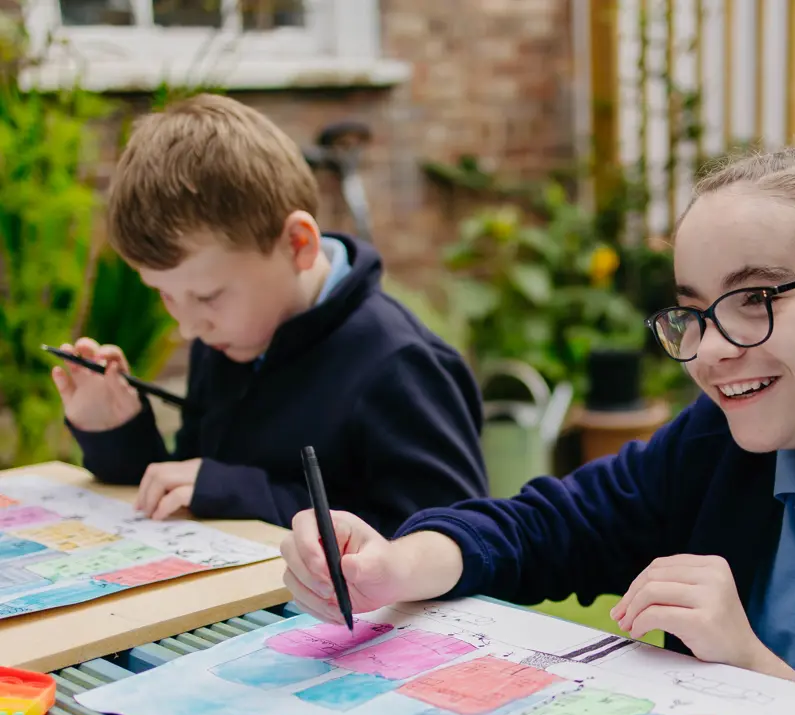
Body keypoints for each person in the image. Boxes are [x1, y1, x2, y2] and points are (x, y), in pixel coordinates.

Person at [280, 144, 795, 715]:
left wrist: (748, 665)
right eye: (694, 311)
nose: (711, 350)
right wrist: (393, 566)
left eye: (757, 299)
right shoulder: (719, 443)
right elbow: (553, 525)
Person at [53, 94, 487, 533]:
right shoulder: (228, 338)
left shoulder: (400, 365)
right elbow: (190, 491)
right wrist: (117, 432)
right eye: (165, 296)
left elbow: (449, 540)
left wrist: (236, 491)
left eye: (208, 296)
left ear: (298, 244)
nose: (189, 327)